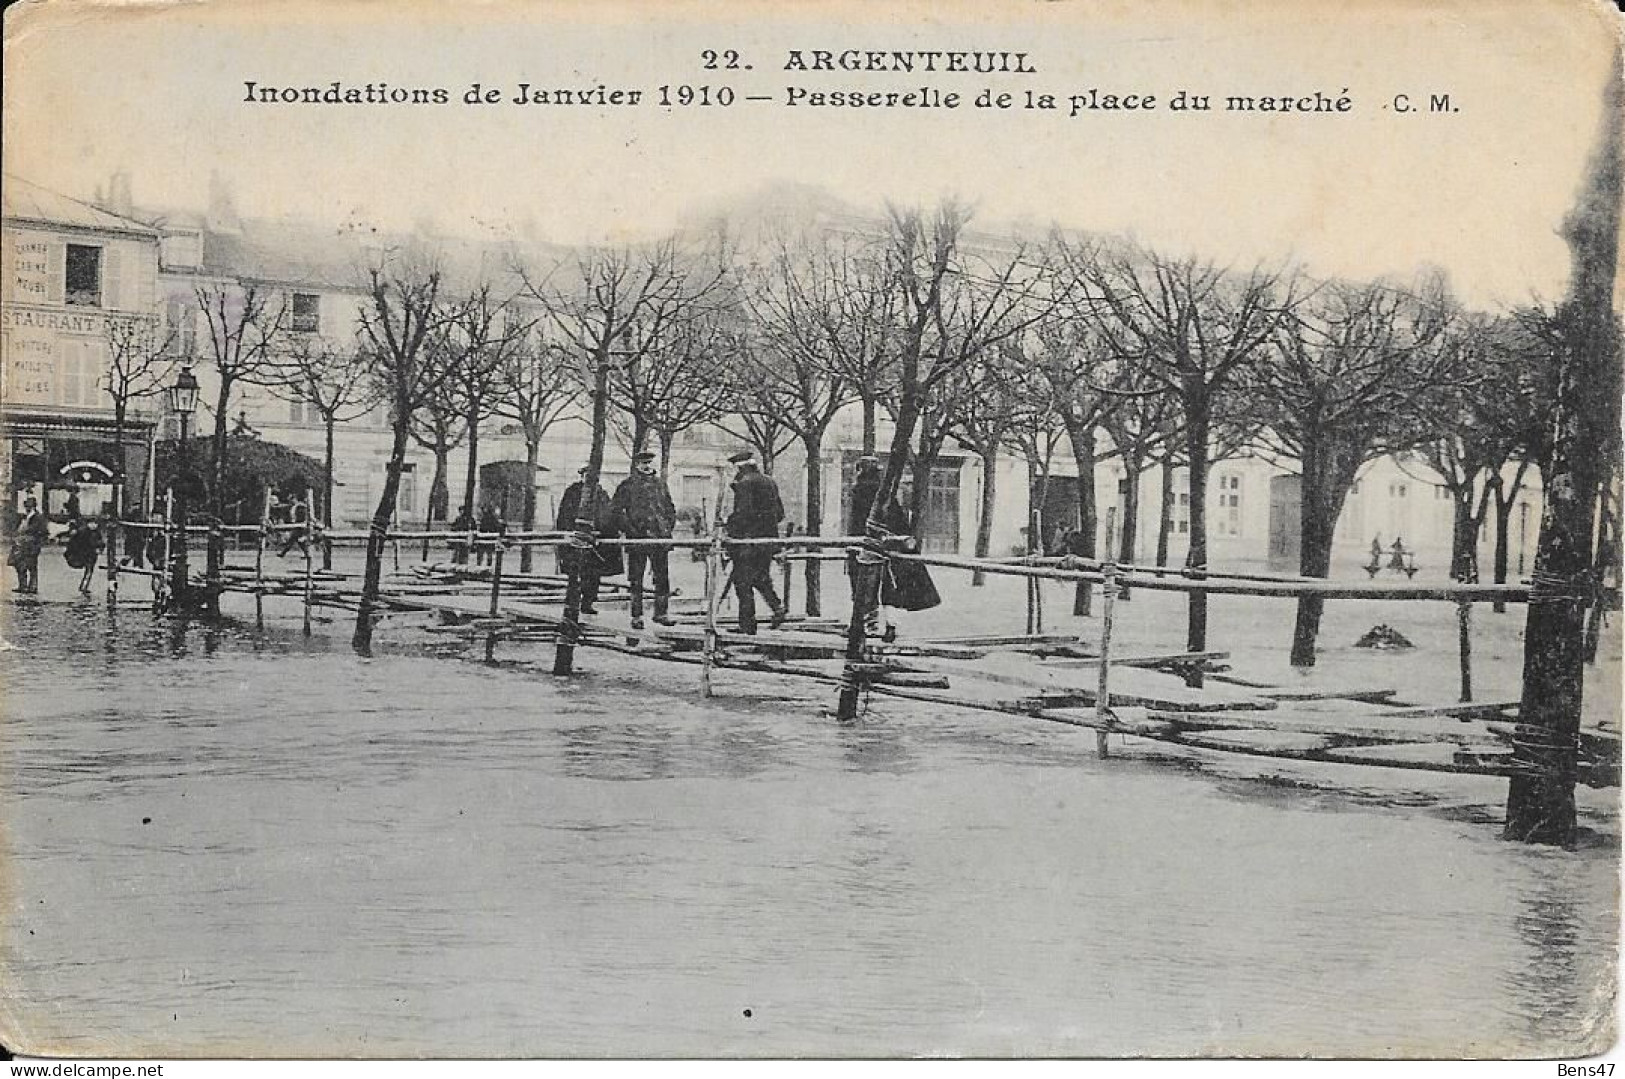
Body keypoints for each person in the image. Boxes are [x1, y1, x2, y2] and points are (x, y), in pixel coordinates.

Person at [611, 450, 678, 629]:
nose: (647, 466)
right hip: (638, 539)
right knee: (636, 579)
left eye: (649, 463)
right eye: (643, 463)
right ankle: (637, 615)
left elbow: (670, 509)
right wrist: (630, 530)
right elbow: (616, 511)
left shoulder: (660, 484)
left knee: (662, 577)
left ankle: (661, 613)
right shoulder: (627, 485)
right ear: (637, 465)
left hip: (659, 540)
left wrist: (666, 527)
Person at [723, 450, 786, 634]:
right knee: (760, 577)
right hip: (767, 541)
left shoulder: (744, 484)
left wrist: (730, 529)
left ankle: (747, 625)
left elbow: (743, 515)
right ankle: (777, 608)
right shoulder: (770, 481)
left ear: (739, 467)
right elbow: (780, 514)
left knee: (742, 582)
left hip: (747, 543)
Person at [556, 467, 623, 616]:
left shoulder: (601, 494)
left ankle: (588, 602)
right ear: (582, 476)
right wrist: (569, 533)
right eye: (587, 476)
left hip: (594, 542)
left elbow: (609, 515)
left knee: (593, 574)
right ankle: (571, 604)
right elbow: (564, 515)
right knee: (576, 574)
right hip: (577, 540)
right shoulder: (573, 492)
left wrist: (608, 531)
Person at [9, 497, 48, 594]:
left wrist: (36, 540)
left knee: (31, 566)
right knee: (20, 565)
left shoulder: (38, 517)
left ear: (33, 506)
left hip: (32, 545)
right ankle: (23, 586)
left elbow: (42, 531)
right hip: (22, 544)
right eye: (26, 505)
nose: (27, 507)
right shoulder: (25, 516)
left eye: (29, 505)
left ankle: (33, 587)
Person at [64, 517, 104, 595]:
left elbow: (100, 542)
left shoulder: (96, 532)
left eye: (95, 524)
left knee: (89, 571)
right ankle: (84, 587)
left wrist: (100, 548)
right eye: (92, 523)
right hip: (85, 554)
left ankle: (84, 586)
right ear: (88, 524)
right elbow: (75, 543)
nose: (94, 525)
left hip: (91, 555)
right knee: (89, 571)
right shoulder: (83, 532)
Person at [278, 493, 311, 558]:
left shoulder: (300, 506)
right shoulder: (294, 506)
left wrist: (300, 524)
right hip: (296, 525)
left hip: (300, 526)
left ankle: (283, 553)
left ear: (294, 499)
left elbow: (302, 516)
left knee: (293, 540)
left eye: (291, 500)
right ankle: (307, 554)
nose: (290, 502)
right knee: (297, 541)